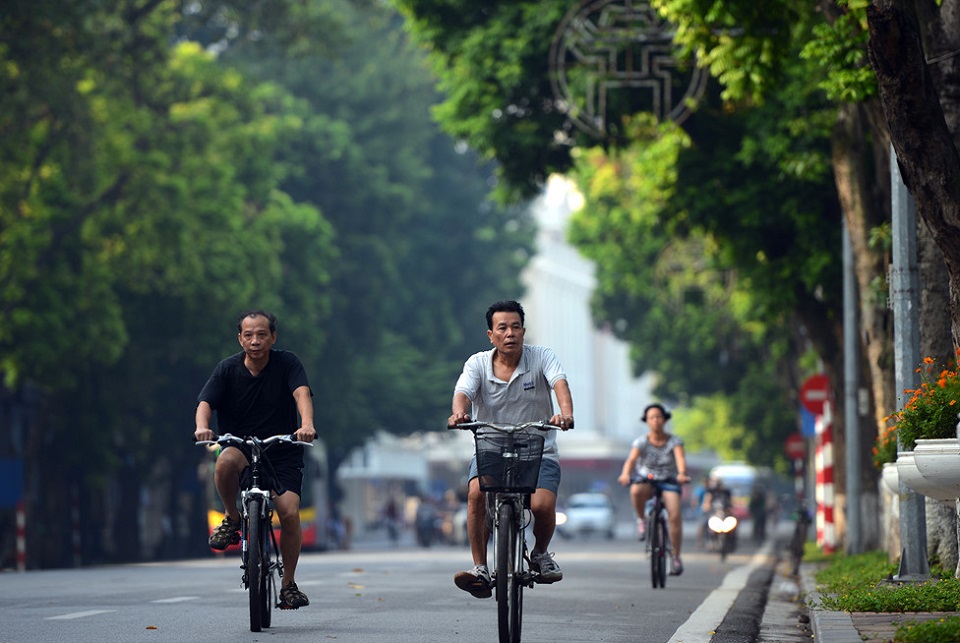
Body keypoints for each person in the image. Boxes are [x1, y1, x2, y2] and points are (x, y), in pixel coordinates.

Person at [447, 300, 575, 598]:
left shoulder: (542, 357)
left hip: (538, 448)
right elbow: (462, 394)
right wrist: (459, 413)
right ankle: (480, 567)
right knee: (476, 494)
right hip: (491, 447)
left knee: (542, 506)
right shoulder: (477, 363)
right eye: (502, 328)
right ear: (490, 335)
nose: (510, 333)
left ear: (523, 331)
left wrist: (565, 413)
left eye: (515, 327)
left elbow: (560, 385)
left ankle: (541, 554)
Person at [194, 310, 317, 610]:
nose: (255, 341)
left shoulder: (287, 363)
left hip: (282, 450)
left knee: (288, 513)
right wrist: (202, 427)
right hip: (241, 447)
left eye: (262, 334)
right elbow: (205, 403)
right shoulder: (226, 370)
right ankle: (232, 518)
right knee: (224, 461)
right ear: (240, 338)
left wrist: (307, 424)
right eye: (248, 335)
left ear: (273, 337)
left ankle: (288, 584)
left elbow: (301, 393)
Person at [617, 403, 690, 575]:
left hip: (669, 480)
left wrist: (682, 473)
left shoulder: (674, 441)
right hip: (647, 479)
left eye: (659, 417)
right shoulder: (641, 441)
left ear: (664, 419)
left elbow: (680, 459)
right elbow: (631, 460)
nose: (656, 421)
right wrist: (625, 474)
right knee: (635, 490)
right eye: (652, 418)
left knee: (674, 515)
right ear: (647, 421)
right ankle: (641, 520)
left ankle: (676, 557)